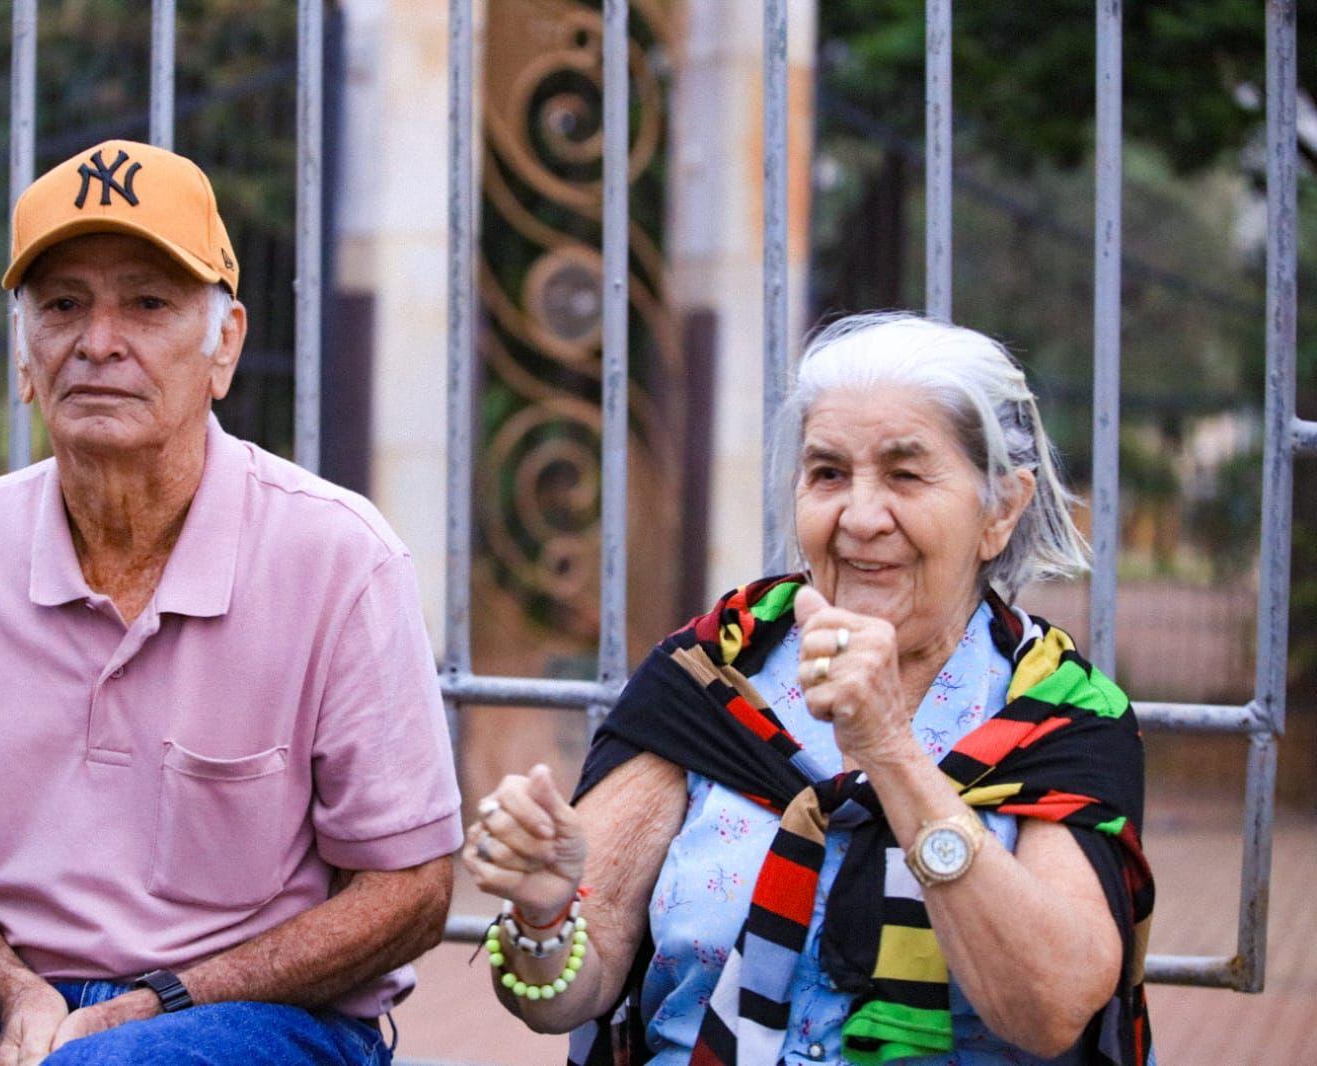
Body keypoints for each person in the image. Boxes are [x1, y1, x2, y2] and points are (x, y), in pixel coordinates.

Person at [0, 140, 462, 1066]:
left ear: (224, 344)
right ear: (25, 356)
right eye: (63, 305)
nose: (99, 341)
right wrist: (16, 991)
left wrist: (157, 1002)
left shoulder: (340, 555)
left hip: (264, 1010)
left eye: (147, 302)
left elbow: (411, 890)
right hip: (8, 995)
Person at [464, 313, 1154, 1066]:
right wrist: (541, 919)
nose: (859, 517)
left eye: (904, 475)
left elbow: (1049, 1013)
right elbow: (569, 992)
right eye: (827, 474)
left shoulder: (1060, 717)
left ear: (1001, 509)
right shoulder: (708, 683)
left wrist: (891, 756)